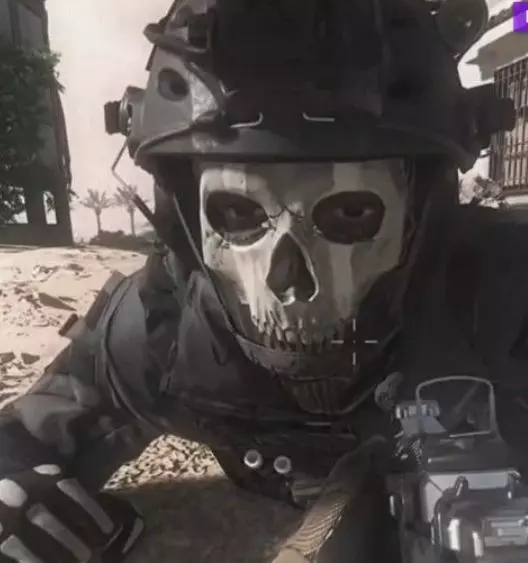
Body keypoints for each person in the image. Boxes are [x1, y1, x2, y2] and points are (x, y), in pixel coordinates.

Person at [0, 0, 520, 561]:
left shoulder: (503, 297)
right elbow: (29, 432)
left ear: (421, 213)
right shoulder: (161, 328)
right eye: (238, 214)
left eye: (348, 214)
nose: (289, 283)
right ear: (187, 225)